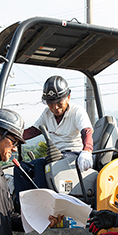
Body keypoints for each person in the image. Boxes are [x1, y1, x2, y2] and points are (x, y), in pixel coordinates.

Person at [13, 75, 93, 210]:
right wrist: (12, 136)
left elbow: (87, 131)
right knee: (21, 169)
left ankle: (46, 208)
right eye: (50, 103)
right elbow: (33, 131)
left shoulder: (77, 111)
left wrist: (87, 151)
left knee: (40, 165)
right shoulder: (47, 114)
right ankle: (25, 208)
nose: (55, 107)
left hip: (73, 156)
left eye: (58, 102)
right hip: (55, 157)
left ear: (68, 96)